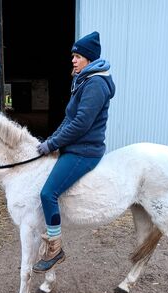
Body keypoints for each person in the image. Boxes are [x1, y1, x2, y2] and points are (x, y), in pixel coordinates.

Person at [32, 31, 116, 273]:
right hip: (75, 146)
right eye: (73, 55)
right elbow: (69, 119)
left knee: (48, 193)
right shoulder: (84, 81)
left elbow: (80, 124)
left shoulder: (96, 84)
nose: (73, 60)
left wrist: (53, 144)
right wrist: (51, 140)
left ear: (89, 59)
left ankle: (55, 248)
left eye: (77, 56)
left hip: (85, 151)